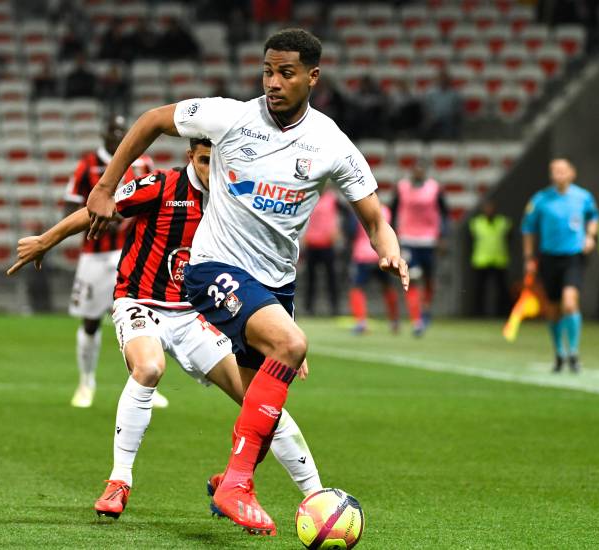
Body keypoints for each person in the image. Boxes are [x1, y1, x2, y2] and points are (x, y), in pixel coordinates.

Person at [84, 28, 408, 535]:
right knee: (291, 344)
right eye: (267, 71)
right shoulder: (230, 117)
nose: (273, 82)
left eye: (286, 73)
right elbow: (151, 121)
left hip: (275, 284)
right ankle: (237, 484)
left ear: (312, 77)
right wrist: (105, 187)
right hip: (214, 268)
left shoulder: (331, 143)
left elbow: (373, 216)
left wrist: (389, 251)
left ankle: (228, 480)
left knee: (263, 397)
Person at [8, 138, 322, 520]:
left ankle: (317, 496)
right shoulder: (160, 185)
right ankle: (119, 481)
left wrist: (283, 330)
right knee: (150, 367)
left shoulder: (236, 201)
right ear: (190, 156)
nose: (211, 170)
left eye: (217, 161)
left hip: (196, 316)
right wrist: (45, 241)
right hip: (141, 303)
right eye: (205, 161)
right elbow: (100, 208)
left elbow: (263, 268)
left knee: (261, 401)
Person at [63, 115, 160, 409]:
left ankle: (145, 384)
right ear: (104, 134)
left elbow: (154, 202)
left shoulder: (144, 163)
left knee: (146, 318)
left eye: (123, 131)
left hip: (133, 253)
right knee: (91, 321)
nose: (118, 136)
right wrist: (98, 214)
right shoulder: (88, 164)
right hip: (95, 255)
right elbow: (69, 203)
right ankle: (86, 382)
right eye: (114, 131)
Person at [522, 158, 599, 373]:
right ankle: (559, 353)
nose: (559, 174)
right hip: (549, 257)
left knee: (570, 303)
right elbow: (528, 229)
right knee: (553, 308)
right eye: (554, 171)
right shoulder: (540, 200)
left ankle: (573, 352)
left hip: (573, 256)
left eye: (562, 170)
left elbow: (594, 216)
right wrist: (528, 258)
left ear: (572, 173)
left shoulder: (583, 197)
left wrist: (591, 236)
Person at [393, 165, 448, 335]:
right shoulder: (401, 188)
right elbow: (392, 211)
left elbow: (445, 213)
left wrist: (443, 236)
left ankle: (426, 308)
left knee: (429, 279)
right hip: (408, 239)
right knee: (413, 277)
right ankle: (417, 320)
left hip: (429, 240)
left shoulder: (434, 188)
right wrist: (393, 237)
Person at [349, 201, 400, 333]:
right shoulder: (386, 211)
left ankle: (361, 321)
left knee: (357, 288)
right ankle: (394, 321)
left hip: (363, 256)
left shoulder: (358, 211)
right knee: (388, 287)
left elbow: (351, 231)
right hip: (381, 255)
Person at [469, 200, 511, 317]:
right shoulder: (476, 223)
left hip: (499, 260)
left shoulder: (503, 222)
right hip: (481, 260)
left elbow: (510, 238)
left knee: (501, 289)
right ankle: (478, 313)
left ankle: (502, 313)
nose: (489, 211)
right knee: (480, 290)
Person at [302, 189, 340, 316]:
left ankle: (334, 307)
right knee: (311, 278)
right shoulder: (309, 197)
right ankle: (309, 307)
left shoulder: (333, 198)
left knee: (331, 278)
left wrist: (337, 230)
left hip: (327, 244)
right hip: (311, 243)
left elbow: (342, 215)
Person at [424, 71, 462, 140]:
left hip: (449, 118)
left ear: (448, 80)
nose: (443, 81)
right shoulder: (431, 93)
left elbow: (458, 109)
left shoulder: (455, 94)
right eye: (441, 79)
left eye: (445, 79)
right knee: (426, 128)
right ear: (437, 80)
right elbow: (427, 108)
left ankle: (448, 144)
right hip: (435, 119)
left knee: (449, 126)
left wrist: (453, 116)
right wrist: (429, 116)